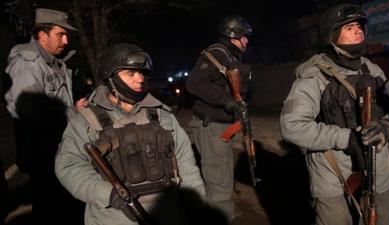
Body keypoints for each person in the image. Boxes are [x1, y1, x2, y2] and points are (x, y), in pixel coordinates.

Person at [55, 43, 207, 225]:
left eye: (142, 73)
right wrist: (108, 194)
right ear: (110, 75)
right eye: (130, 73)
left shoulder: (162, 115)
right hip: (113, 218)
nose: (140, 79)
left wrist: (199, 209)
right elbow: (69, 165)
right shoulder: (86, 120)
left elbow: (186, 165)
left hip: (167, 215)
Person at [280, 4, 389, 225]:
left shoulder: (372, 70)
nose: (358, 31)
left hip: (378, 168)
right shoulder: (314, 75)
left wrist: (387, 128)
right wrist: (346, 138)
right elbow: (291, 126)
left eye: (360, 26)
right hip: (332, 170)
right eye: (350, 27)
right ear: (332, 35)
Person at [185, 15, 252, 222]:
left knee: (221, 174)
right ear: (234, 36)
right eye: (245, 37)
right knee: (218, 179)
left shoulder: (229, 56)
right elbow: (194, 83)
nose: (247, 41)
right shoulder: (216, 55)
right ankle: (221, 218)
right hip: (211, 126)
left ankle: (220, 213)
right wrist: (227, 102)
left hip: (220, 126)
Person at [4, 7, 87, 173]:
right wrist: (74, 111)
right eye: (60, 35)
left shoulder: (57, 62)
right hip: (42, 157)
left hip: (60, 150)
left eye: (66, 35)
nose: (65, 41)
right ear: (42, 35)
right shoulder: (28, 64)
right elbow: (33, 112)